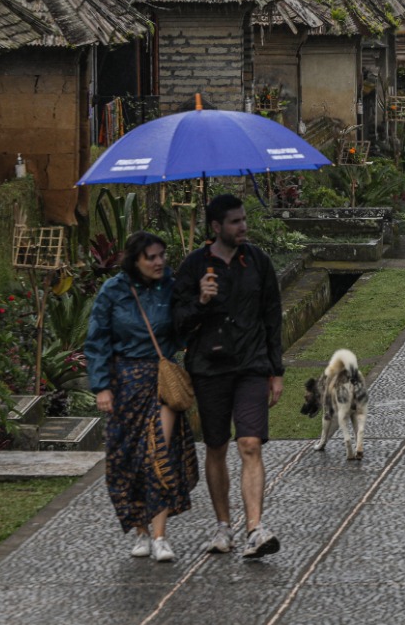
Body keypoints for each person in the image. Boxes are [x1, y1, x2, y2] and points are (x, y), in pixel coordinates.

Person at [173, 193, 284, 560]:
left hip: (251, 364)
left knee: (250, 444)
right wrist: (200, 302)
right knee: (216, 446)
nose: (243, 226)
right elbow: (176, 322)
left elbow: (272, 314)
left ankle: (255, 528)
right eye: (235, 221)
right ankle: (224, 526)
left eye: (244, 219)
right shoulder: (193, 267)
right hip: (209, 367)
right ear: (216, 227)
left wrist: (276, 370)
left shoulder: (257, 261)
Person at [86, 231, 199, 563]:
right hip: (125, 384)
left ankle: (161, 535)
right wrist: (102, 386)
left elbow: (183, 331)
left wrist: (199, 302)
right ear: (135, 260)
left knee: (158, 454)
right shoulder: (113, 292)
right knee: (129, 460)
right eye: (151, 257)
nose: (159, 261)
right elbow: (97, 340)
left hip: (162, 381)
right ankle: (140, 531)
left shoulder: (172, 288)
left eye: (162, 255)